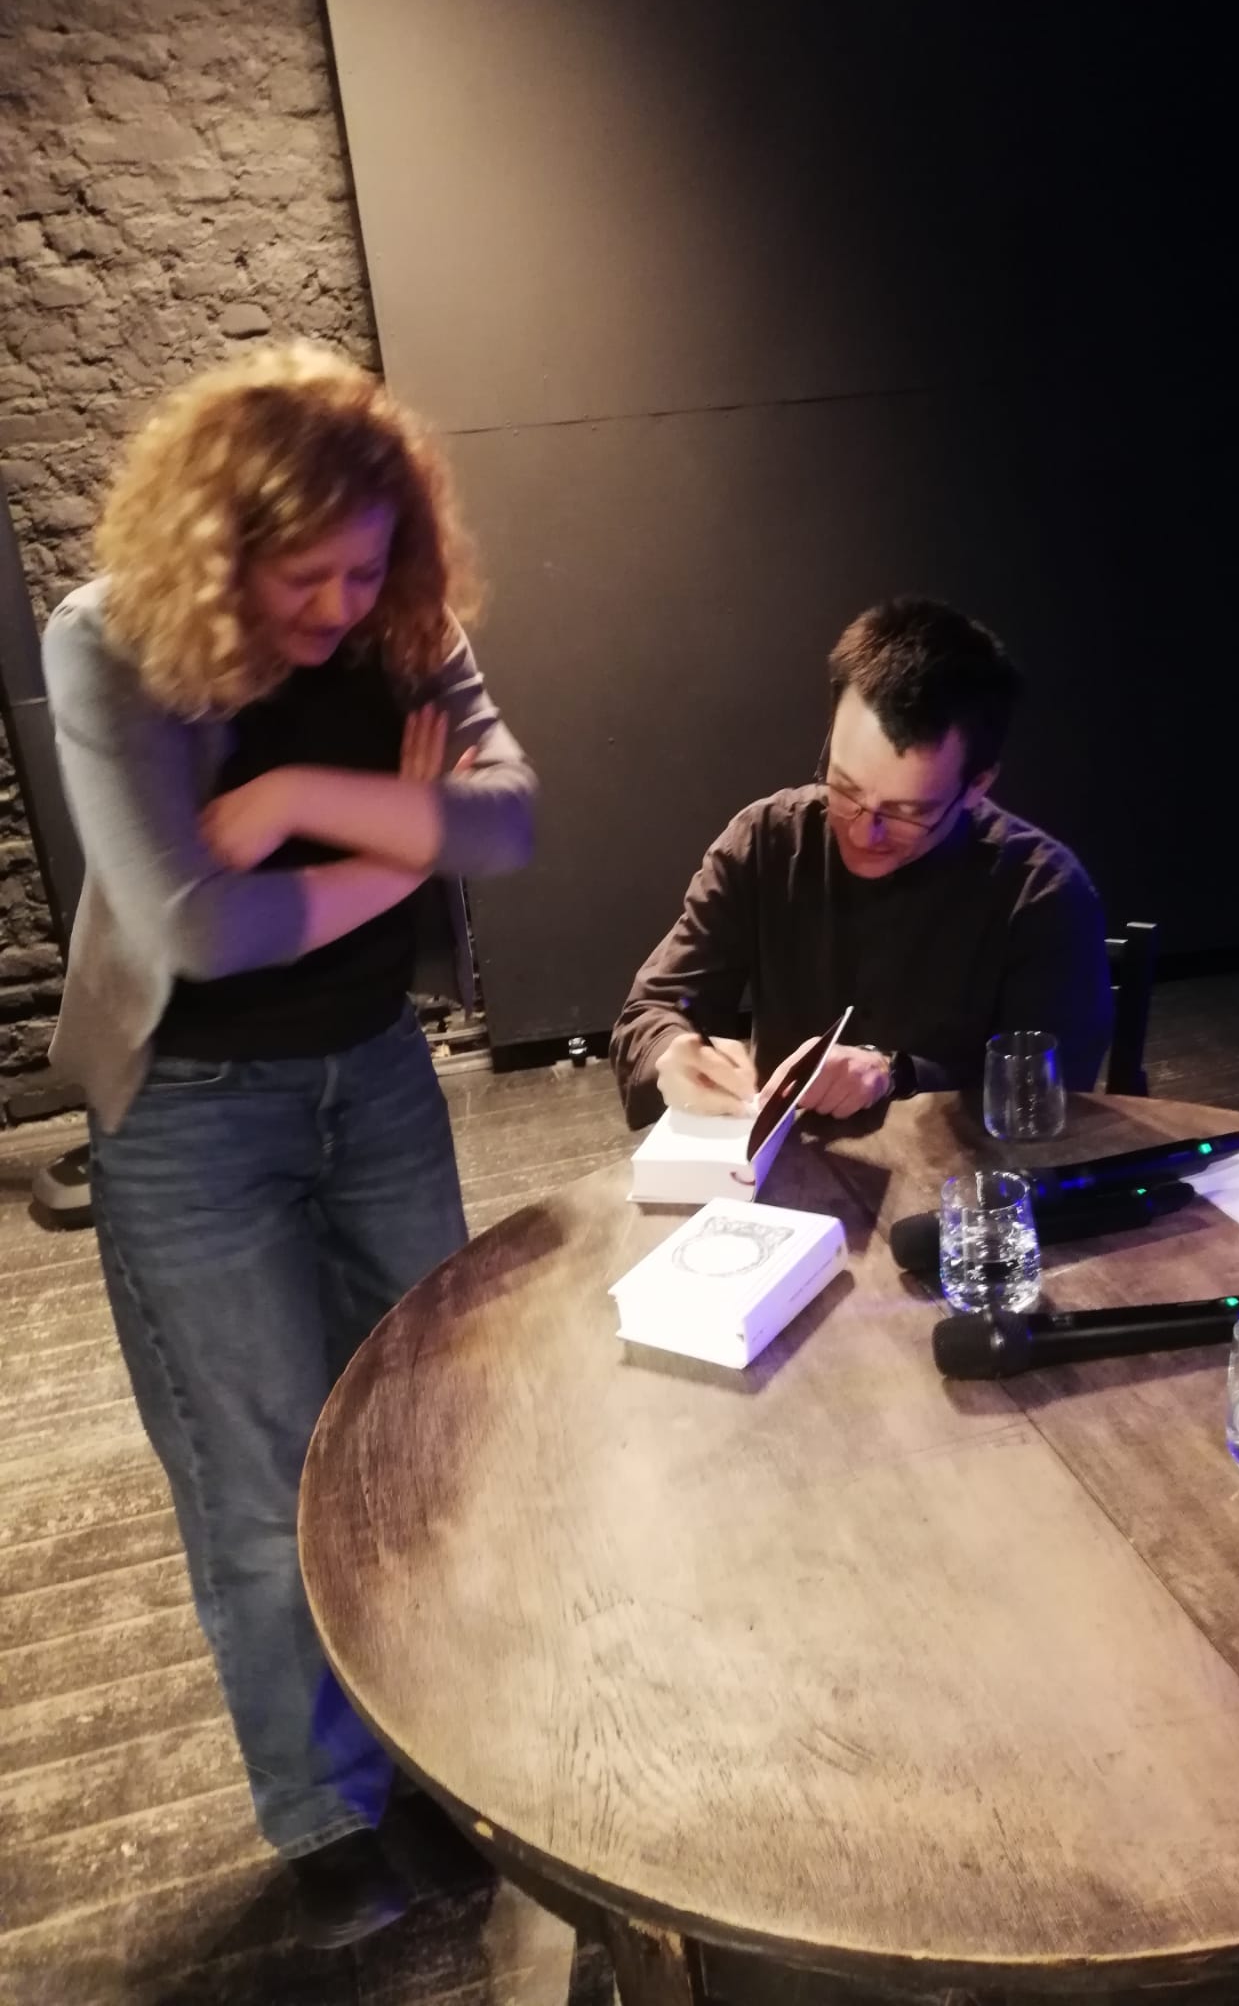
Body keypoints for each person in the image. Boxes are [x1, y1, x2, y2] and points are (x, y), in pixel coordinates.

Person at [42, 342, 536, 1946]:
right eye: (303, 577)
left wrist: (299, 797)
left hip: (375, 1074)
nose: (342, 606)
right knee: (260, 1486)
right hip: (192, 1115)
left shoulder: (403, 617)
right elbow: (195, 929)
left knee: (418, 1446)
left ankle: (430, 1758)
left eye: (367, 569)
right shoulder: (109, 642)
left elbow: (512, 820)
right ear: (217, 548)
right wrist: (399, 841)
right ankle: (322, 1807)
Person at [612, 596, 1111, 1127]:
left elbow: (1042, 1098)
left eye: (906, 812)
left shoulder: (1040, 893)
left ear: (977, 785)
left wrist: (897, 1073)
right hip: (782, 1164)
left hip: (966, 1171)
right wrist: (671, 1053)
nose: (862, 831)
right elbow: (650, 1013)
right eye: (845, 788)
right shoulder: (766, 842)